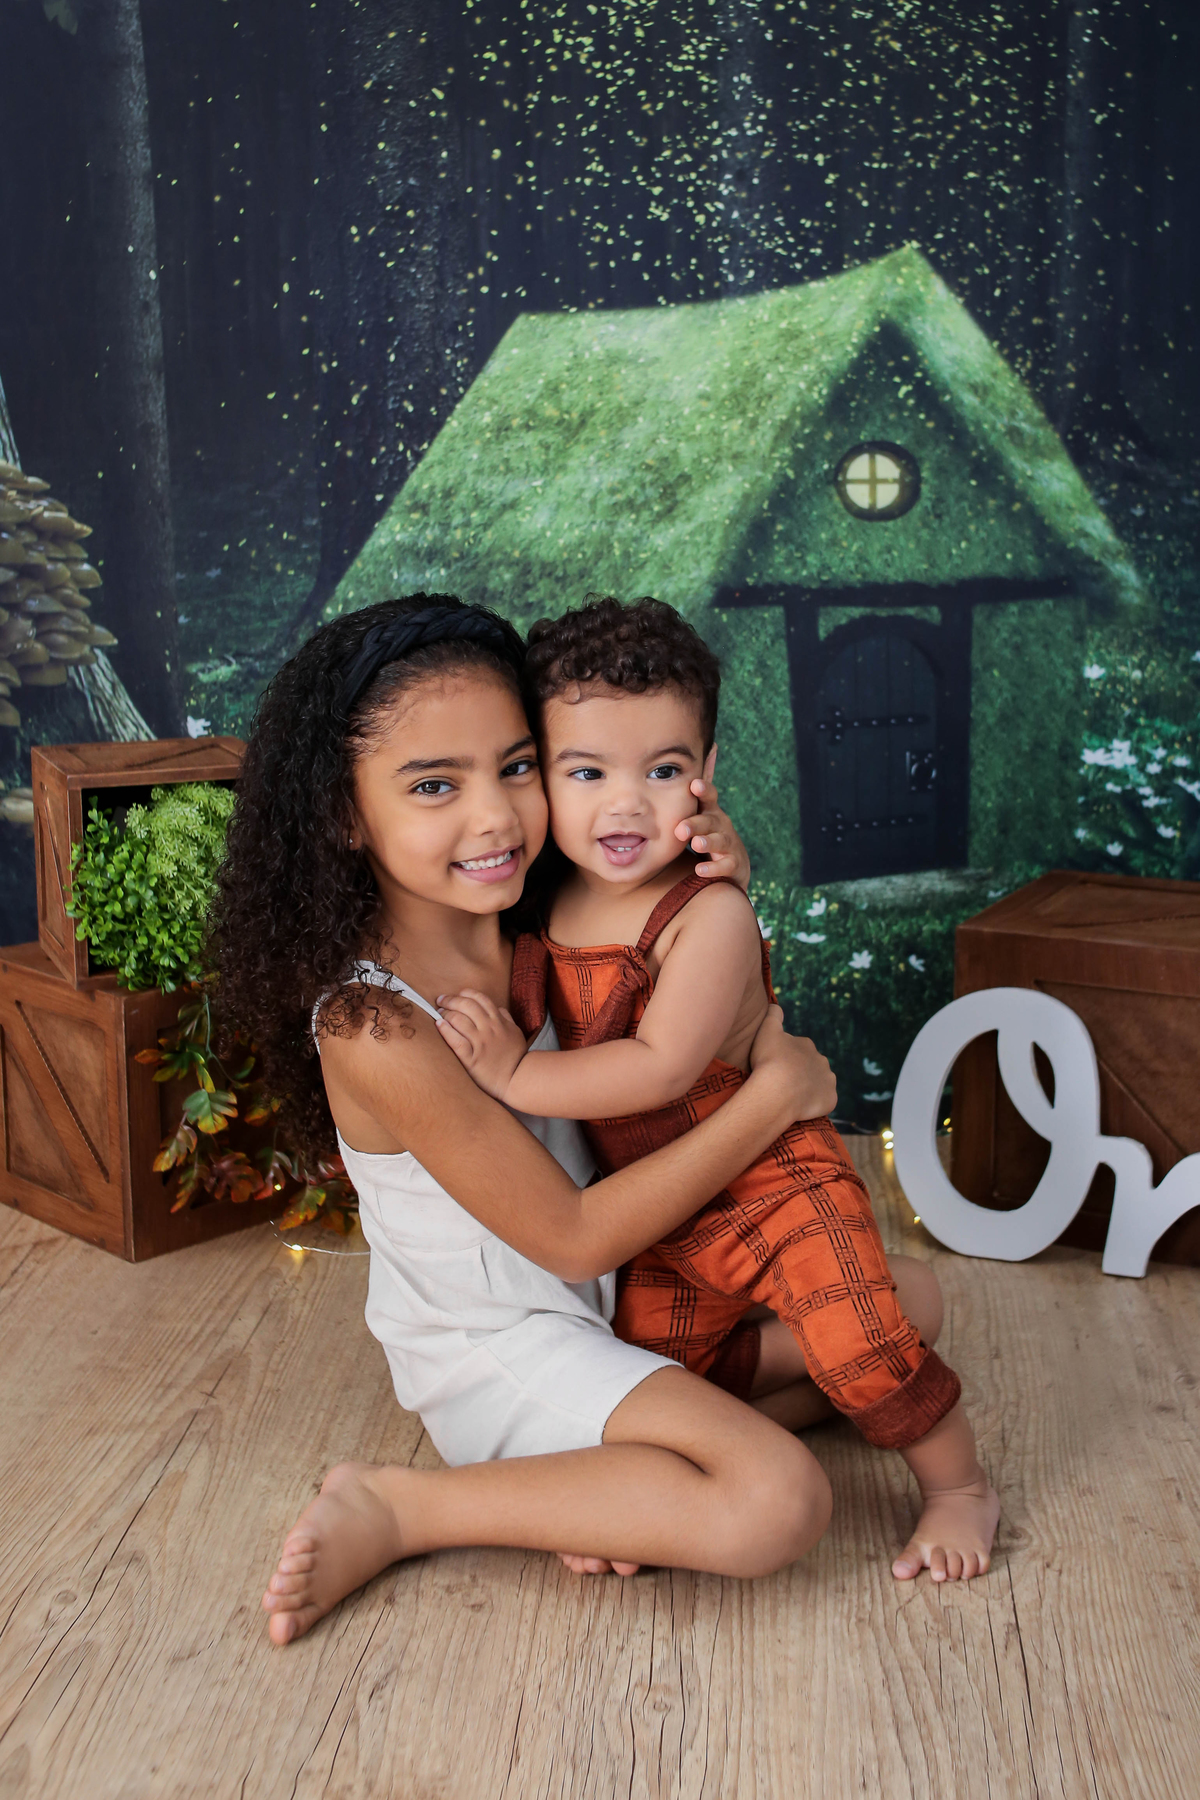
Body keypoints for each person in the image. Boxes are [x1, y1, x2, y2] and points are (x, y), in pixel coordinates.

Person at [213, 594, 848, 1647]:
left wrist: (716, 868)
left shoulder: (536, 916)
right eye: (434, 785)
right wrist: (776, 1099)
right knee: (779, 1501)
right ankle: (406, 1508)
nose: (497, 818)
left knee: (906, 1313)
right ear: (342, 811)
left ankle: (601, 1496)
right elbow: (574, 1236)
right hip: (503, 1345)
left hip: (615, 1302)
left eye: (517, 768)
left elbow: (699, 972)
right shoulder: (373, 1025)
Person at [436, 595, 1000, 1583]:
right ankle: (652, 1491)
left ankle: (959, 1488)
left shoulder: (709, 915)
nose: (625, 805)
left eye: (661, 772)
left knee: (861, 1339)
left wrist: (515, 1072)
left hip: (771, 1181)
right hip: (662, 1212)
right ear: (542, 778)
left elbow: (661, 1066)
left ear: (707, 772)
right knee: (654, 1376)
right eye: (587, 772)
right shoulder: (546, 892)